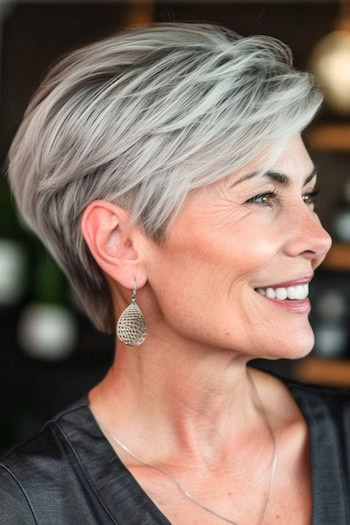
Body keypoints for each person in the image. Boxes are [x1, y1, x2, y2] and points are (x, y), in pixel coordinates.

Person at [1, 21, 349, 525]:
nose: (318, 238)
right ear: (121, 243)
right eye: (261, 196)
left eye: (308, 194)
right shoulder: (29, 506)